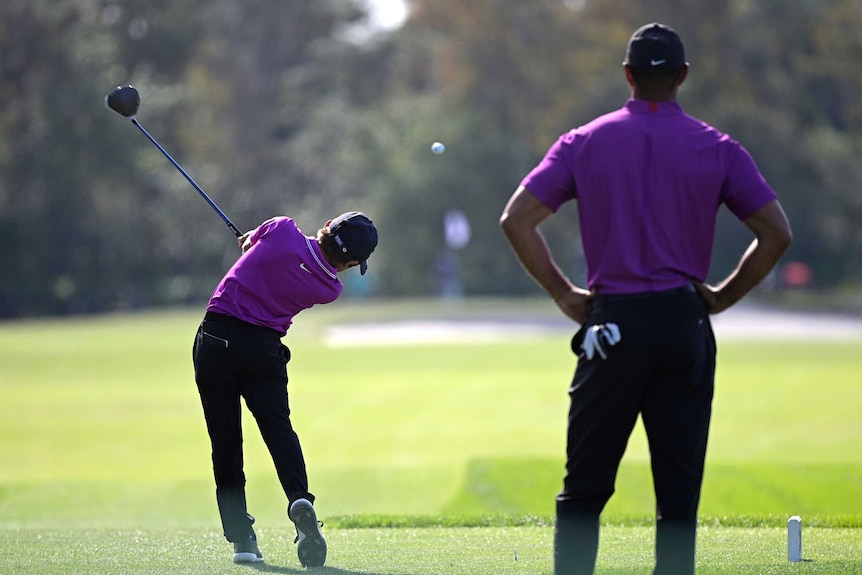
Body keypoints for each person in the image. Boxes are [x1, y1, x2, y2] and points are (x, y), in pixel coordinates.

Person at [500, 22, 791, 575]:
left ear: (628, 75)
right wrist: (722, 298)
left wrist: (564, 294)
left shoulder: (583, 142)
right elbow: (776, 234)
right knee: (677, 496)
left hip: (613, 326)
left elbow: (517, 220)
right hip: (684, 325)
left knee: (584, 488)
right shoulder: (718, 148)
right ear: (682, 76)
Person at [192, 211, 378, 566]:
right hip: (262, 351)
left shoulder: (282, 228)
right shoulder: (329, 289)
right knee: (279, 432)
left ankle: (242, 541)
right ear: (351, 263)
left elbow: (251, 245)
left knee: (226, 442)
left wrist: (252, 242)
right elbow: (286, 262)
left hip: (216, 339)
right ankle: (298, 497)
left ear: (326, 226)